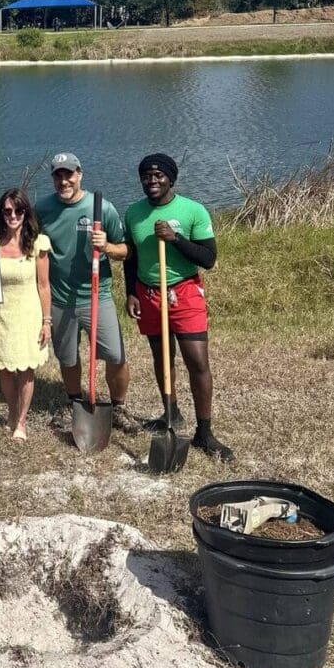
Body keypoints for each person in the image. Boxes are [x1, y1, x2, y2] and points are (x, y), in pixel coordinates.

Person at [123, 153, 234, 462]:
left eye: (158, 175)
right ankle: (170, 414)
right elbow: (130, 259)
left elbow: (208, 258)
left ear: (170, 178)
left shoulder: (192, 210)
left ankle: (205, 433)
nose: (152, 181)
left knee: (197, 362)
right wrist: (130, 292)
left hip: (184, 292)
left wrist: (175, 239)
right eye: (146, 176)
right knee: (162, 358)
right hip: (148, 294)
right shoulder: (133, 213)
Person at [36, 152, 140, 435]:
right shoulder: (42, 208)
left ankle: (118, 406)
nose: (64, 180)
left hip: (97, 295)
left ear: (79, 174)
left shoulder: (101, 208)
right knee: (67, 357)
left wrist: (106, 246)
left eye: (69, 174)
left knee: (115, 355)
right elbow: (28, 244)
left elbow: (126, 250)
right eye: (58, 175)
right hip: (60, 298)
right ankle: (74, 402)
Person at [0, 189, 51, 441]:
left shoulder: (38, 244)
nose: (13, 215)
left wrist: (47, 321)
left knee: (26, 370)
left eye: (18, 210)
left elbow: (44, 286)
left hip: (28, 314)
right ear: (1, 213)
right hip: (1, 314)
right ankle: (12, 411)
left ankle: (21, 421)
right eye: (8, 210)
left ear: (26, 213)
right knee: (4, 369)